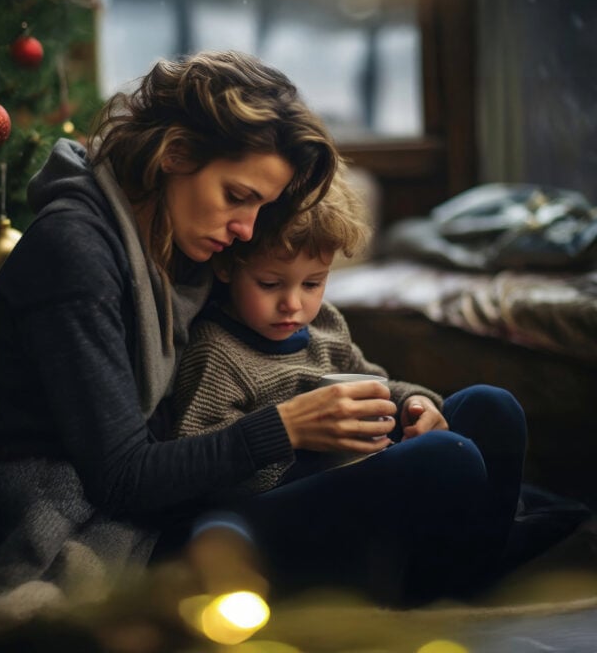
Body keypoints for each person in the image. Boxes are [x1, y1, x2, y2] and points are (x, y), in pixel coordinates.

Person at [0, 50, 342, 596]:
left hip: (188, 502)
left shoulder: (181, 244)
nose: (245, 229)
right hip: (91, 530)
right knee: (435, 471)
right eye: (238, 197)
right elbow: (121, 480)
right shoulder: (74, 253)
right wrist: (284, 428)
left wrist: (400, 404)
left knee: (473, 415)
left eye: (262, 207)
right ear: (175, 153)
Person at [168, 169, 531, 606]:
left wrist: (415, 405)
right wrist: (305, 446)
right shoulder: (217, 350)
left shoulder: (325, 325)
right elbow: (199, 459)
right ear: (228, 265)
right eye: (270, 284)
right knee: (448, 457)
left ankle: (474, 568)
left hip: (353, 477)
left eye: (313, 283)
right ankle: (435, 590)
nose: (293, 304)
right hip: (272, 511)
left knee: (491, 406)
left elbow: (376, 381)